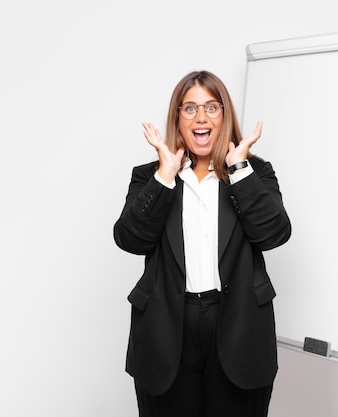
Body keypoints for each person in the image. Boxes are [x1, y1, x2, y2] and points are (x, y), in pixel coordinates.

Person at [113, 70, 291, 417]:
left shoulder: (255, 172)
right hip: (168, 327)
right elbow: (130, 238)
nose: (201, 118)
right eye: (190, 108)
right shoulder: (150, 176)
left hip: (237, 324)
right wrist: (164, 176)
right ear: (177, 117)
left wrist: (238, 168)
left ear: (224, 115)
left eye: (211, 107)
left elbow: (274, 233)